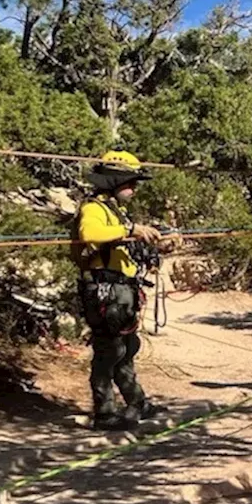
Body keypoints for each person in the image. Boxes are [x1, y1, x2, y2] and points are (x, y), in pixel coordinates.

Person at [75, 150, 169, 431]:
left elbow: (126, 242)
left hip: (121, 289)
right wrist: (131, 229)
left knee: (126, 347)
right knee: (108, 350)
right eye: (131, 182)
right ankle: (104, 412)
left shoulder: (116, 211)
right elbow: (89, 234)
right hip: (104, 290)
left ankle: (136, 401)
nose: (135, 188)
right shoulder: (94, 208)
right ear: (114, 181)